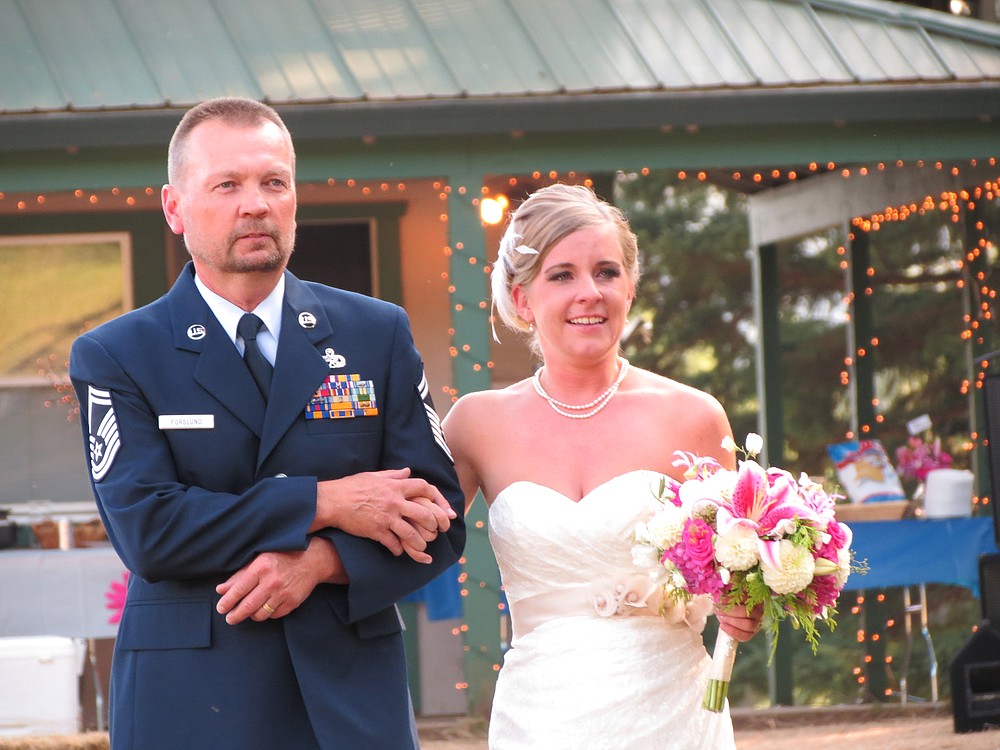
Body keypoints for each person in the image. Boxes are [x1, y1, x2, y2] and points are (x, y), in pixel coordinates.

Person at [69, 97, 465, 750]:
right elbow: (151, 529)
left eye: (273, 182)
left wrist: (324, 559)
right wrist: (326, 501)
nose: (255, 203)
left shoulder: (374, 333)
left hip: (348, 701)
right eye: (226, 185)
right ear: (174, 207)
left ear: (294, 198)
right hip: (191, 701)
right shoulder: (119, 355)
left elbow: (437, 515)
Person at [443, 183, 760, 749]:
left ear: (630, 287)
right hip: (539, 716)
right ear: (521, 299)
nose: (589, 293)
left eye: (607, 272)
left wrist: (746, 602)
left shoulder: (693, 417)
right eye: (562, 275)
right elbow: (407, 543)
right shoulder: (476, 425)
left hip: (673, 712)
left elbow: (740, 564)